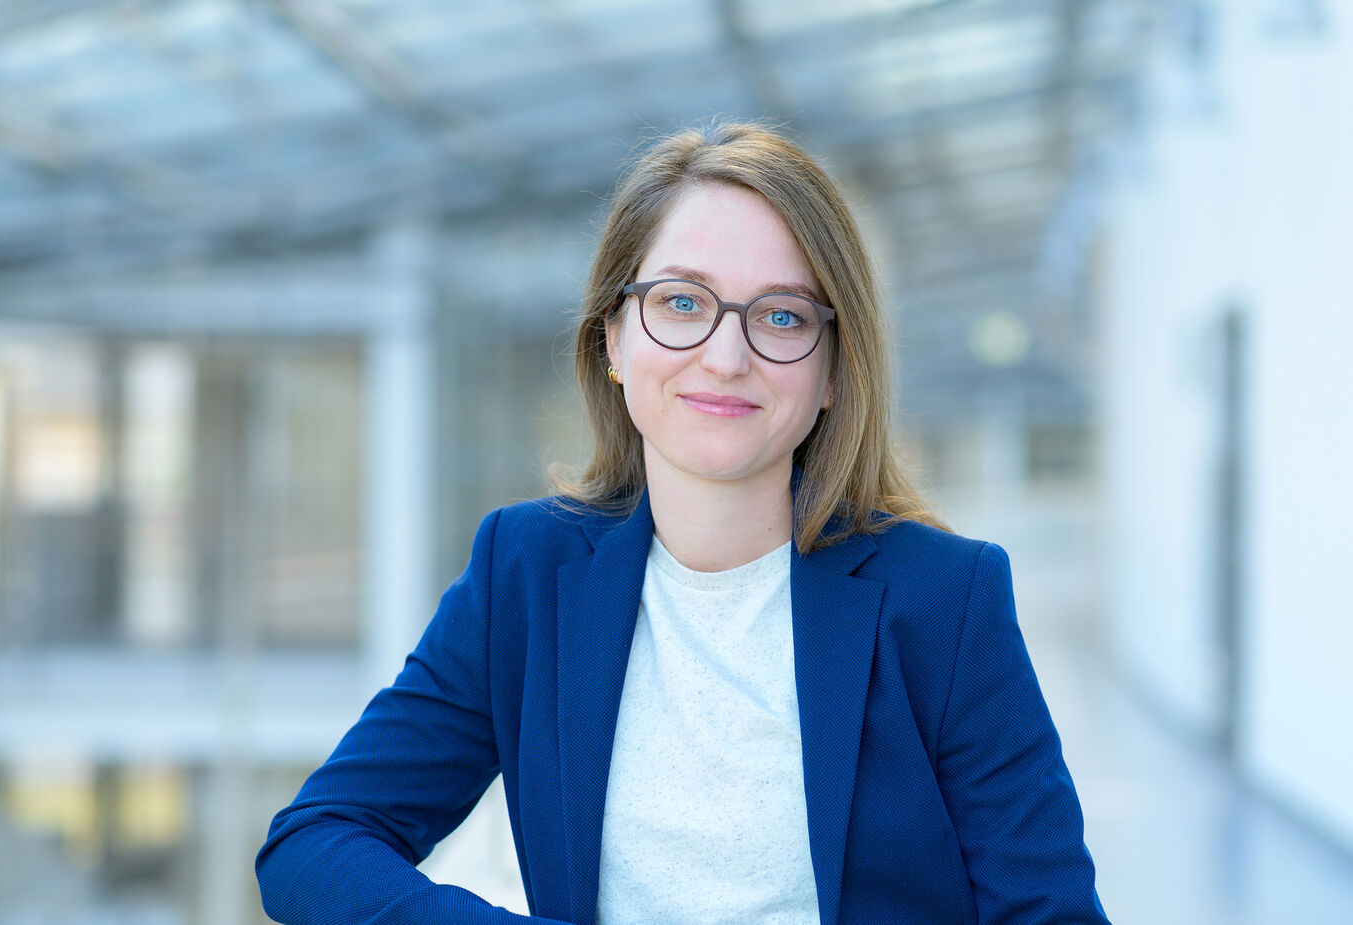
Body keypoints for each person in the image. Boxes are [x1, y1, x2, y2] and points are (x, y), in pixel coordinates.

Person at [256, 123, 1109, 924]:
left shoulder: (944, 601)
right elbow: (314, 842)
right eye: (680, 302)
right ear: (613, 341)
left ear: (835, 373)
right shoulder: (525, 571)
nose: (726, 356)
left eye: (781, 315)